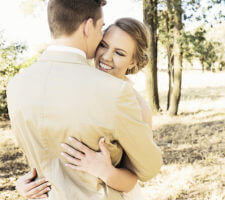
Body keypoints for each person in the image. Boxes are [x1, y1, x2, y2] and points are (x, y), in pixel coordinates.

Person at [7, 0, 162, 199]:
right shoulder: (90, 86)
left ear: (133, 61)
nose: (106, 56)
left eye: (120, 53)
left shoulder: (16, 84)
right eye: (104, 43)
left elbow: (138, 174)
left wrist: (104, 170)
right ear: (89, 27)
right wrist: (26, 181)